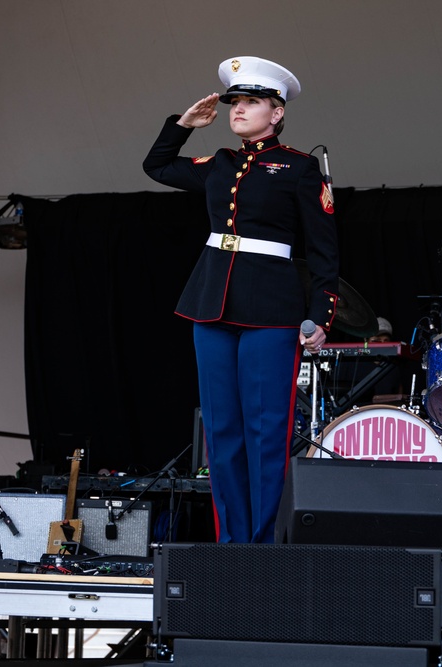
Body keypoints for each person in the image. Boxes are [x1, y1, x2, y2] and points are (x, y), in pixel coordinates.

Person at [143, 56, 339, 543]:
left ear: (276, 112)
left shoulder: (299, 167)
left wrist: (320, 314)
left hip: (271, 311)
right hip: (211, 304)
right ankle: (232, 546)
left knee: (265, 433)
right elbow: (158, 166)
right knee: (222, 434)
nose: (238, 109)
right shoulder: (220, 165)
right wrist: (182, 126)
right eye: (235, 101)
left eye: (252, 101)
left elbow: (323, 250)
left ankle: (266, 545)